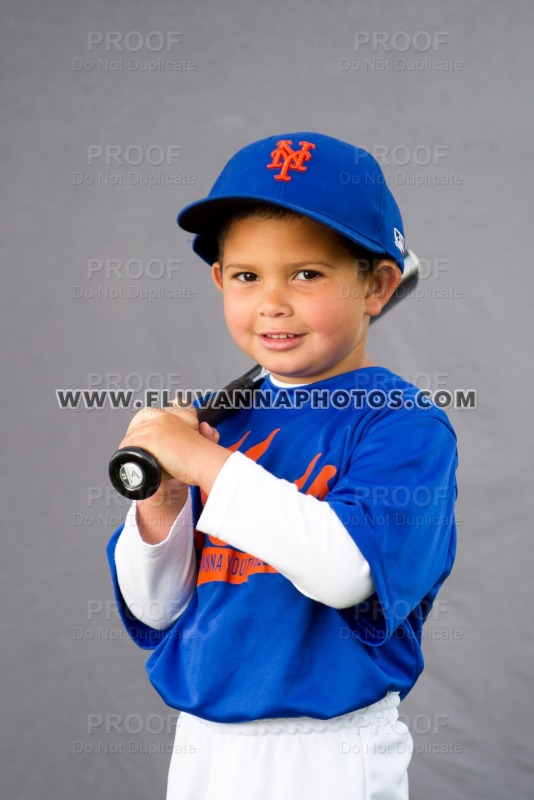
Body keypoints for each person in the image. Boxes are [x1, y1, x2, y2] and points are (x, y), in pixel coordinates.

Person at [107, 132, 458, 799]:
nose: (272, 301)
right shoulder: (223, 423)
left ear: (379, 285)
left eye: (307, 273)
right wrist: (164, 496)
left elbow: (344, 572)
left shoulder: (403, 427)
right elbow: (154, 607)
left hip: (328, 752)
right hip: (204, 742)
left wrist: (208, 465)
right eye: (247, 276)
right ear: (219, 281)